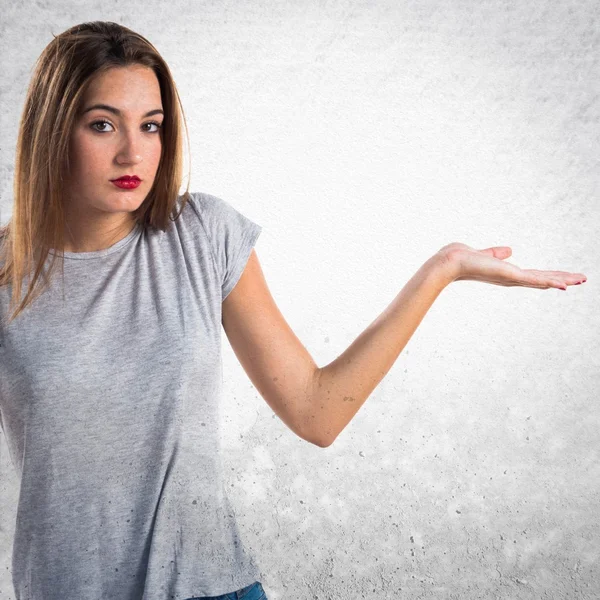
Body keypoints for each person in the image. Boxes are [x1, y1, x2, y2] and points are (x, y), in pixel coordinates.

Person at [0, 19, 587, 600]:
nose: (134, 151)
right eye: (103, 124)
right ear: (53, 131)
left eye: (151, 126)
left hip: (211, 590)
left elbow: (317, 411)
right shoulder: (6, 275)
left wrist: (442, 270)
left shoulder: (203, 237)